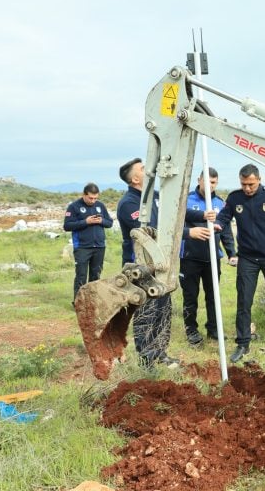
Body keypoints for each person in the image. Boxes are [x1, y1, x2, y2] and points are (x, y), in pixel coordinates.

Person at [215, 164, 265, 363]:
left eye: (251, 184)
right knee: (244, 300)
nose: (247, 188)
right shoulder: (235, 198)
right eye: (243, 184)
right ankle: (243, 343)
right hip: (247, 258)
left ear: (259, 180)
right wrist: (217, 224)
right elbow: (223, 218)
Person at [117, 157, 179, 369]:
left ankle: (160, 352)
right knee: (146, 313)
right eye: (143, 168)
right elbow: (151, 231)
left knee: (162, 309)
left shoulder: (155, 196)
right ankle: (146, 359)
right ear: (135, 179)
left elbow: (174, 214)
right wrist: (189, 232)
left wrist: (202, 215)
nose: (149, 169)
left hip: (159, 264)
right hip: (141, 268)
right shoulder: (129, 204)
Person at [180, 168, 237, 346]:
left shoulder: (220, 203)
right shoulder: (186, 200)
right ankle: (191, 330)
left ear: (216, 183)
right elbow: (176, 222)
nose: (210, 185)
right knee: (190, 296)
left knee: (213, 296)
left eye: (213, 182)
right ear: (199, 180)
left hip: (212, 258)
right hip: (190, 257)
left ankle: (213, 329)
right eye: (206, 181)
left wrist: (231, 253)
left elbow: (226, 231)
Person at [63, 182, 113, 303]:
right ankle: (78, 303)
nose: (93, 201)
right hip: (82, 247)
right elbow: (67, 226)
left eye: (95, 198)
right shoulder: (74, 207)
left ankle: (92, 302)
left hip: (99, 246)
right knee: (81, 275)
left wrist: (101, 221)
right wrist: (85, 222)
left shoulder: (100, 206)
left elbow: (110, 223)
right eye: (90, 198)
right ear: (84, 195)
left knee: (96, 276)